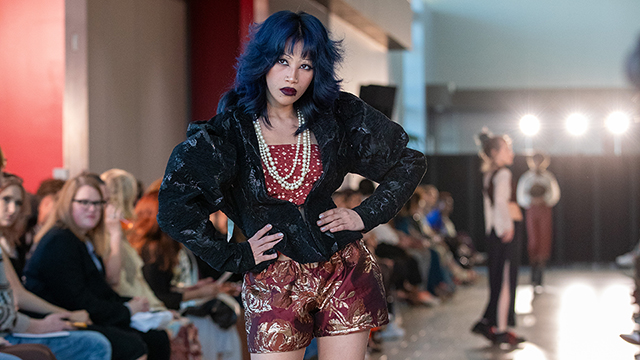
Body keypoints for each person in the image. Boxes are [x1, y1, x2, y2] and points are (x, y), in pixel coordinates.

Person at [157, 10, 426, 360]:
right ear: (262, 62)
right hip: (272, 279)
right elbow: (174, 207)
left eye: (306, 65)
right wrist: (233, 255)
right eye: (283, 60)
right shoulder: (227, 133)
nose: (293, 75)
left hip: (343, 268)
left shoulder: (337, 117)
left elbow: (409, 160)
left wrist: (365, 215)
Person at [23, 174, 171, 360]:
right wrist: (126, 310)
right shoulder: (59, 240)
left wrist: (129, 304)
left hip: (81, 313)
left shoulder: (80, 238)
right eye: (84, 202)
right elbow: (78, 300)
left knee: (156, 337)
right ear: (68, 204)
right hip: (60, 319)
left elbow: (98, 291)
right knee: (131, 345)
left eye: (98, 203)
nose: (92, 209)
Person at [0, 173, 112, 360]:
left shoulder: (12, 244)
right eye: (6, 199)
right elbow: (17, 297)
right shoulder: (59, 239)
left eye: (18, 203)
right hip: (14, 327)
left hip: (15, 323)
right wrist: (57, 317)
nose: (13, 209)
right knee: (98, 343)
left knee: (109, 339)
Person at [471, 130, 524, 347]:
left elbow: (490, 208)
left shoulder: (490, 175)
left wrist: (494, 229)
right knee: (504, 280)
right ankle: (501, 328)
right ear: (495, 153)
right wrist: (506, 228)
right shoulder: (503, 174)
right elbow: (500, 203)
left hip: (497, 230)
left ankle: (495, 324)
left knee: (500, 279)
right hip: (505, 230)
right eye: (507, 149)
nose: (511, 153)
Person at [516, 152, 560, 289]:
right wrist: (532, 200)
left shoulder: (548, 177)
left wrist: (543, 200)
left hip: (544, 210)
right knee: (533, 240)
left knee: (544, 240)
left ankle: (540, 274)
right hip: (532, 210)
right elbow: (521, 196)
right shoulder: (526, 178)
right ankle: (533, 272)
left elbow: (554, 195)